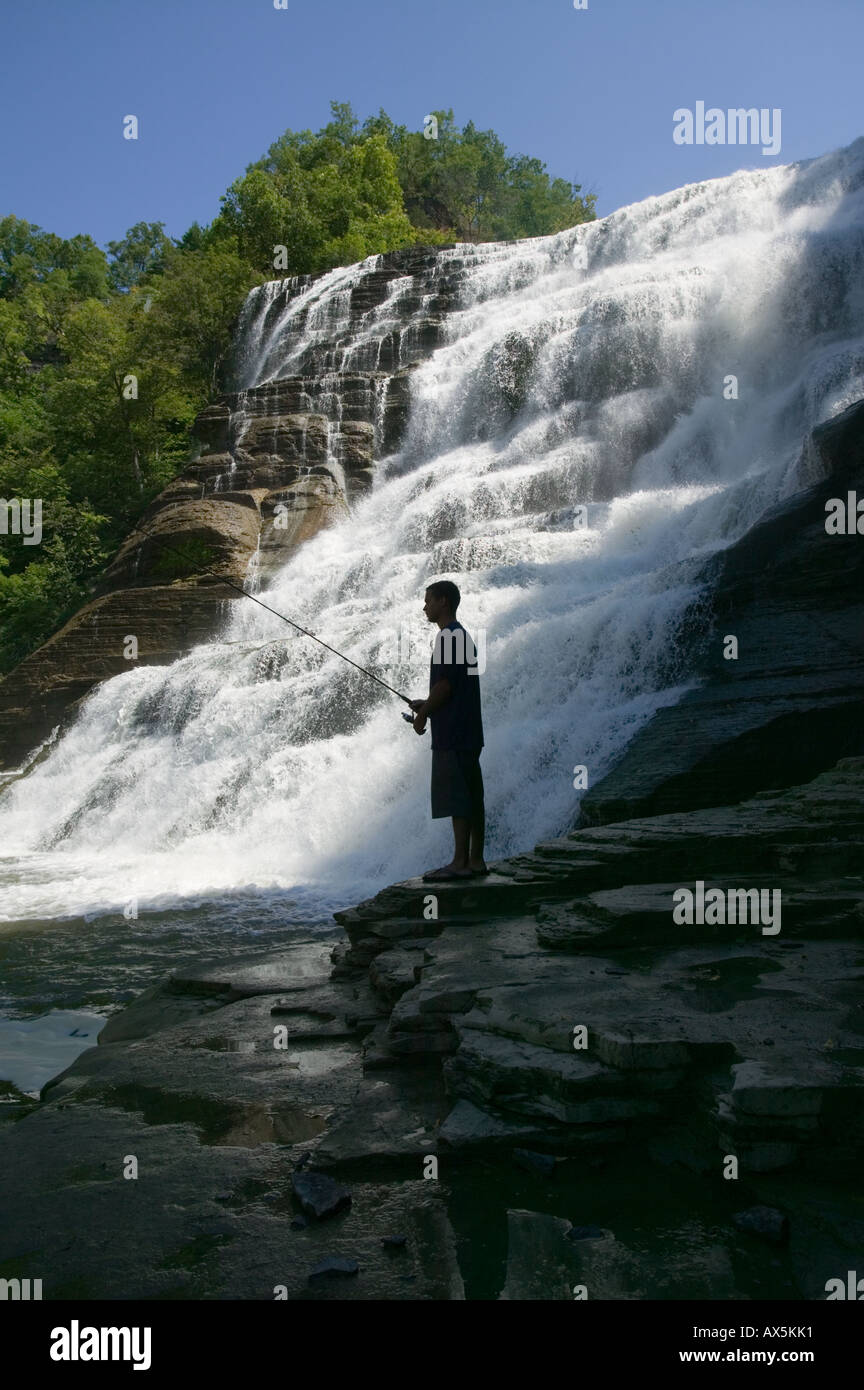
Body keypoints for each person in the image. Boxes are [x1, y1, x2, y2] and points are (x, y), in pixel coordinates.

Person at [409, 580, 488, 881]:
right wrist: (426, 703)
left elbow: (444, 686)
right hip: (467, 731)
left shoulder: (449, 637)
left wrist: (423, 715)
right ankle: (476, 861)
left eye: (428, 600)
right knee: (472, 796)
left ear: (443, 601)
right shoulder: (461, 637)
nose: (425, 606)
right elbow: (451, 688)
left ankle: (459, 863)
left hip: (453, 733)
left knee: (458, 798)